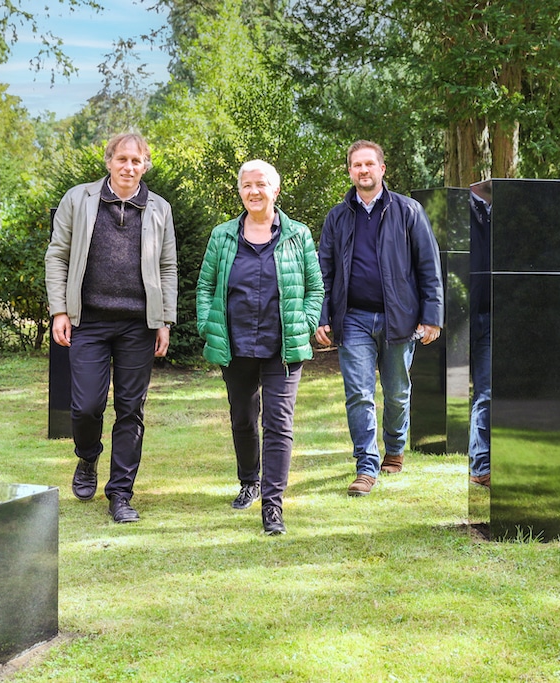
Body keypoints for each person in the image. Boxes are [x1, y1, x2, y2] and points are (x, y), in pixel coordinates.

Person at [45, 133, 178, 523]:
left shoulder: (159, 209)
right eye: (122, 159)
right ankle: (87, 457)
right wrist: (59, 311)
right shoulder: (78, 199)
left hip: (139, 325)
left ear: (146, 165)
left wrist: (165, 320)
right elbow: (58, 256)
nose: (129, 167)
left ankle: (120, 494)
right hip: (89, 321)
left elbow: (168, 267)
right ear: (109, 162)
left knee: (130, 410)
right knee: (86, 406)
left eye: (137, 161)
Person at [196, 160, 324, 535]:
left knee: (279, 423)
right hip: (234, 345)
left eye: (261, 185)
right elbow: (204, 287)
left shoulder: (297, 235)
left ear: (275, 190)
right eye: (247, 185)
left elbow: (315, 288)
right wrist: (207, 324)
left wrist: (307, 322)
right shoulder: (222, 236)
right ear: (240, 192)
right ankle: (248, 480)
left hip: (282, 346)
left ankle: (272, 505)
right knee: (242, 418)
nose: (254, 191)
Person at [315, 140, 444, 496]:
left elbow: (428, 267)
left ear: (382, 169)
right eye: (357, 165)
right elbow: (323, 270)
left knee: (397, 392)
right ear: (350, 171)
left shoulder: (408, 211)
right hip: (352, 318)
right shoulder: (338, 216)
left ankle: (396, 448)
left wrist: (431, 316)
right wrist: (322, 315)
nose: (363, 170)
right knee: (359, 393)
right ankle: (366, 466)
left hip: (398, 318)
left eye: (369, 164)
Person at [468, 180, 492, 487]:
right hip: (460, 315)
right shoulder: (460, 211)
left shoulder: (500, 214)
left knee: (486, 391)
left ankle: (481, 464)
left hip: (492, 314)